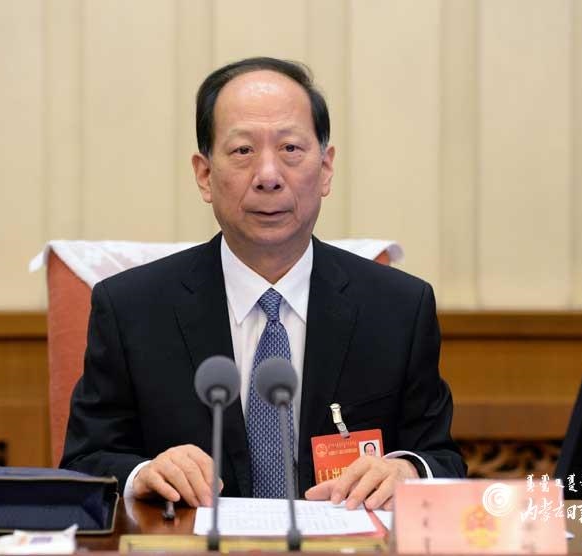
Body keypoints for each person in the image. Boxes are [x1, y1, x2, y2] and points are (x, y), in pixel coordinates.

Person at [61, 57, 465, 511]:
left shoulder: (398, 309)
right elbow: (84, 461)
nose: (268, 176)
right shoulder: (132, 310)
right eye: (242, 151)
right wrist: (143, 474)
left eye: (291, 148)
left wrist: (409, 471)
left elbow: (442, 459)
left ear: (326, 169)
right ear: (204, 175)